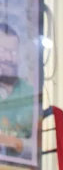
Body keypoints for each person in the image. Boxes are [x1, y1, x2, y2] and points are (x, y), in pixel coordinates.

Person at [0, 22, 35, 158]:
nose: (9, 58)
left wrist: (15, 142)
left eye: (13, 52)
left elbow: (40, 145)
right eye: (2, 51)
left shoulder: (31, 95)